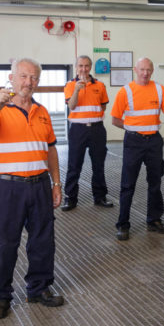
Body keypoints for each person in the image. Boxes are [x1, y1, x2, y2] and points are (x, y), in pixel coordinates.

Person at [0, 57, 64, 320]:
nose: (29, 82)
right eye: (24, 76)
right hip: (8, 187)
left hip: (39, 185)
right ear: (11, 78)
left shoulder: (42, 111)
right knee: (4, 242)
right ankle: (0, 296)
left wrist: (56, 183)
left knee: (42, 241)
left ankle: (39, 288)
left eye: (34, 77)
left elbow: (50, 149)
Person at [111, 57, 164, 241]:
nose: (145, 73)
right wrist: (132, 128)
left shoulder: (159, 89)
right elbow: (115, 119)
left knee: (155, 183)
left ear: (152, 71)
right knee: (128, 184)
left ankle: (154, 220)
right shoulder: (125, 91)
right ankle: (123, 224)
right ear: (135, 69)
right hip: (133, 142)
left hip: (154, 142)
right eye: (142, 69)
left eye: (148, 70)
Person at [61, 55, 112, 211]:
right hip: (78, 129)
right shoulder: (70, 85)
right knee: (74, 164)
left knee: (98, 164)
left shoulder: (100, 85)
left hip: (97, 129)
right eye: (81, 66)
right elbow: (72, 105)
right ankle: (70, 198)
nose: (84, 69)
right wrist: (77, 90)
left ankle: (100, 196)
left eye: (87, 66)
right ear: (76, 67)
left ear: (90, 67)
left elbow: (103, 106)